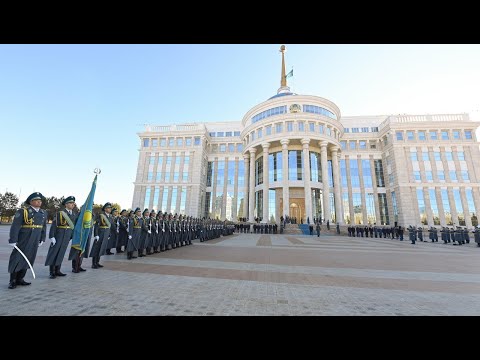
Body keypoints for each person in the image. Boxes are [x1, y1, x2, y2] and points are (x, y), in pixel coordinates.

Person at [8, 192, 47, 289]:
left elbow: (43, 227)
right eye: (37, 200)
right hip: (24, 238)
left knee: (29, 257)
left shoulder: (43, 213)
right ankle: (12, 280)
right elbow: (15, 226)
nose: (39, 202)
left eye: (40, 201)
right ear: (31, 201)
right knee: (17, 257)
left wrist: (42, 238)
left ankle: (20, 279)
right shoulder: (23, 211)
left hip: (35, 238)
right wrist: (13, 239)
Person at [45, 196, 77, 279]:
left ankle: (57, 270)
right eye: (70, 203)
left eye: (73, 203)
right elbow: (54, 225)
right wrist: (52, 236)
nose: (72, 204)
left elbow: (73, 226)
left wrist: (71, 236)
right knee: (54, 252)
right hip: (59, 235)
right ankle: (52, 272)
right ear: (66, 204)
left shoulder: (73, 214)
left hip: (67, 236)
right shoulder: (60, 213)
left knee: (61, 253)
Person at [89, 202, 112, 268]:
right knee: (96, 248)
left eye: (110, 208)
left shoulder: (109, 216)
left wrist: (109, 234)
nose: (110, 209)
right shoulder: (101, 215)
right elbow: (97, 225)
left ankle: (97, 262)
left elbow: (109, 226)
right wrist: (96, 234)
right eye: (108, 208)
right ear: (105, 209)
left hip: (106, 233)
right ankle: (93, 264)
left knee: (101, 248)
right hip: (101, 233)